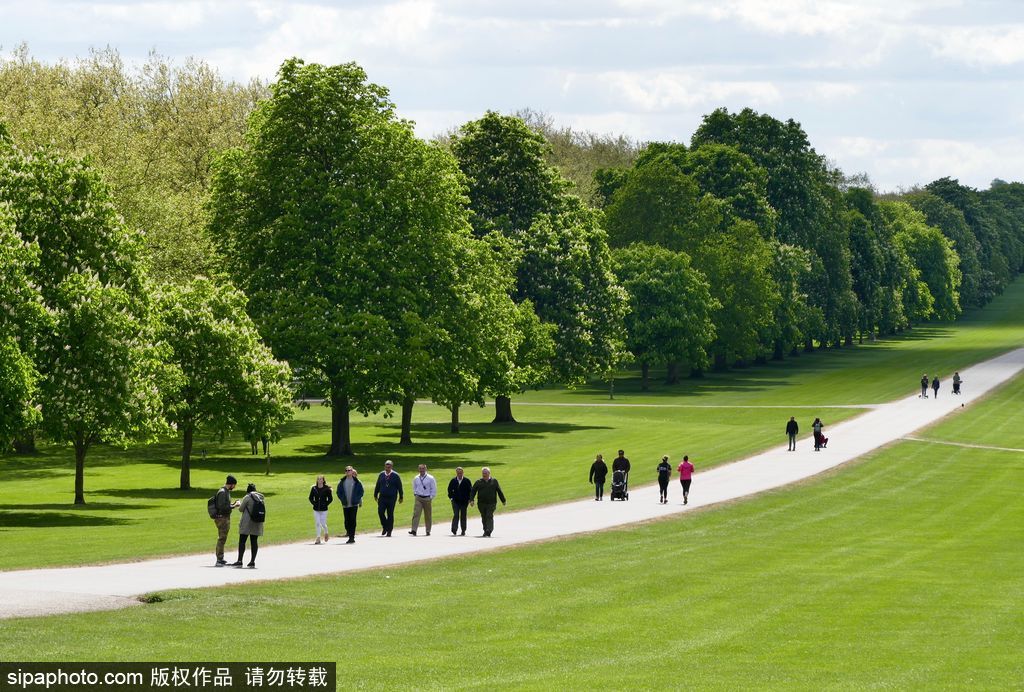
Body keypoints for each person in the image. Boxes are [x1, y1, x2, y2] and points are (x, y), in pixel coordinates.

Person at [232, 482, 265, 568]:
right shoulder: (261, 498)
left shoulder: (247, 497)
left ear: (248, 491)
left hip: (247, 522)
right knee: (254, 541)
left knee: (242, 541)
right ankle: (252, 561)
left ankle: (240, 560)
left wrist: (239, 503)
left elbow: (241, 509)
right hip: (257, 522)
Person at [212, 474, 240, 566]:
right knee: (222, 538)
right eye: (234, 485)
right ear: (231, 484)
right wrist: (234, 506)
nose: (234, 487)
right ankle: (219, 560)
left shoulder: (226, 491)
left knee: (222, 538)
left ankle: (221, 558)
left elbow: (225, 505)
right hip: (222, 518)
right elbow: (222, 507)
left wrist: (233, 504)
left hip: (224, 517)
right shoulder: (223, 492)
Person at [470, 467, 506, 537]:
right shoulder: (478, 482)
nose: (484, 474)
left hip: (491, 503)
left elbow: (499, 491)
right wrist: (471, 500)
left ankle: (489, 530)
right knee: (484, 517)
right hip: (481, 503)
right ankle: (485, 530)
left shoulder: (494, 481)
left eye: (485, 473)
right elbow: (473, 491)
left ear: (489, 473)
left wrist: (503, 500)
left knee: (489, 516)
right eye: (483, 473)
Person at [373, 460, 403, 537]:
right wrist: (375, 494)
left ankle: (389, 530)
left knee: (390, 514)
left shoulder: (396, 475)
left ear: (391, 467)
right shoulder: (381, 474)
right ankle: (385, 526)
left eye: (389, 466)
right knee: (380, 512)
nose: (387, 468)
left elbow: (399, 487)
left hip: (391, 498)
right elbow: (378, 485)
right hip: (382, 497)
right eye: (386, 466)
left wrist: (401, 496)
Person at [337, 465, 364, 544]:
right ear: (345, 472)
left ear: (352, 471)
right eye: (347, 470)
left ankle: (351, 537)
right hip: (345, 504)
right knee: (347, 521)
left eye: (349, 470)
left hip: (354, 504)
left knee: (352, 520)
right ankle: (349, 532)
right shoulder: (342, 482)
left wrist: (357, 499)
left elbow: (361, 492)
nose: (348, 472)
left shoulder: (357, 482)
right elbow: (338, 492)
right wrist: (342, 498)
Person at [409, 463, 437, 536]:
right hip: (419, 498)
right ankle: (414, 530)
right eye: (420, 469)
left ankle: (428, 530)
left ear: (425, 469)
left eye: (423, 469)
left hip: (427, 498)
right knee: (416, 514)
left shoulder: (430, 478)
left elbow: (433, 488)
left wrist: (431, 497)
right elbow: (414, 487)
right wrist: (415, 494)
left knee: (428, 515)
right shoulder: (416, 478)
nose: (421, 470)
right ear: (418, 469)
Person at [308, 474, 333, 544]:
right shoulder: (314, 488)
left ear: (323, 480)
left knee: (323, 523)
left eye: (321, 479)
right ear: (317, 480)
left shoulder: (327, 489)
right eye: (318, 479)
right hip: (316, 509)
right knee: (317, 523)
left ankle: (326, 532)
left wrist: (325, 504)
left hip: (324, 509)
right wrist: (314, 503)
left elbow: (330, 499)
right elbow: (310, 498)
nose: (319, 480)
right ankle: (318, 538)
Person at [448, 467, 472, 536]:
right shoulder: (453, 481)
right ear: (456, 473)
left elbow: (470, 491)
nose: (459, 474)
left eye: (461, 473)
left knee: (463, 515)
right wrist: (451, 497)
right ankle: (454, 529)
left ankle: (463, 530)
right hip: (455, 501)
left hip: (464, 502)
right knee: (456, 515)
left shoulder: (467, 481)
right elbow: (449, 490)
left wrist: (470, 499)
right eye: (458, 473)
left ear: (463, 473)